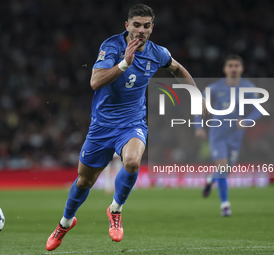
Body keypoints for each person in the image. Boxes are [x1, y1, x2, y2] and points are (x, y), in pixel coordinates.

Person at [46, 4, 207, 251]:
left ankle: (115, 210)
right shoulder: (111, 47)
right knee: (84, 181)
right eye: (136, 25)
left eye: (146, 26)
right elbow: (95, 82)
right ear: (127, 26)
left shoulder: (158, 52)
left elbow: (176, 67)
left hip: (132, 124)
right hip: (101, 126)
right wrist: (124, 63)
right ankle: (65, 223)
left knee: (132, 162)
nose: (141, 30)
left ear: (152, 28)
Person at [194, 55, 262, 217]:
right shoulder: (215, 88)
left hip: (236, 136)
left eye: (236, 65)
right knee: (223, 167)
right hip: (218, 133)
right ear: (225, 69)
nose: (233, 68)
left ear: (241, 69)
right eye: (230, 65)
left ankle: (211, 179)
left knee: (225, 169)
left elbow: (258, 110)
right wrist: (198, 126)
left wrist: (247, 121)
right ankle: (225, 205)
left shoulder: (249, 87)